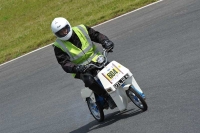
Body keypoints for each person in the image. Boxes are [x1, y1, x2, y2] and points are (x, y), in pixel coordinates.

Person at [51, 17, 115, 108]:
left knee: (110, 68)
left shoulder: (82, 29)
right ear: (57, 34)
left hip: (96, 59)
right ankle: (107, 97)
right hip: (80, 68)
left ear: (68, 26)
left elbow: (96, 35)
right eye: (61, 32)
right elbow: (64, 63)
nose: (64, 32)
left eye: (65, 29)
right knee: (89, 80)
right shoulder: (58, 46)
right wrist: (76, 68)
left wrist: (106, 41)